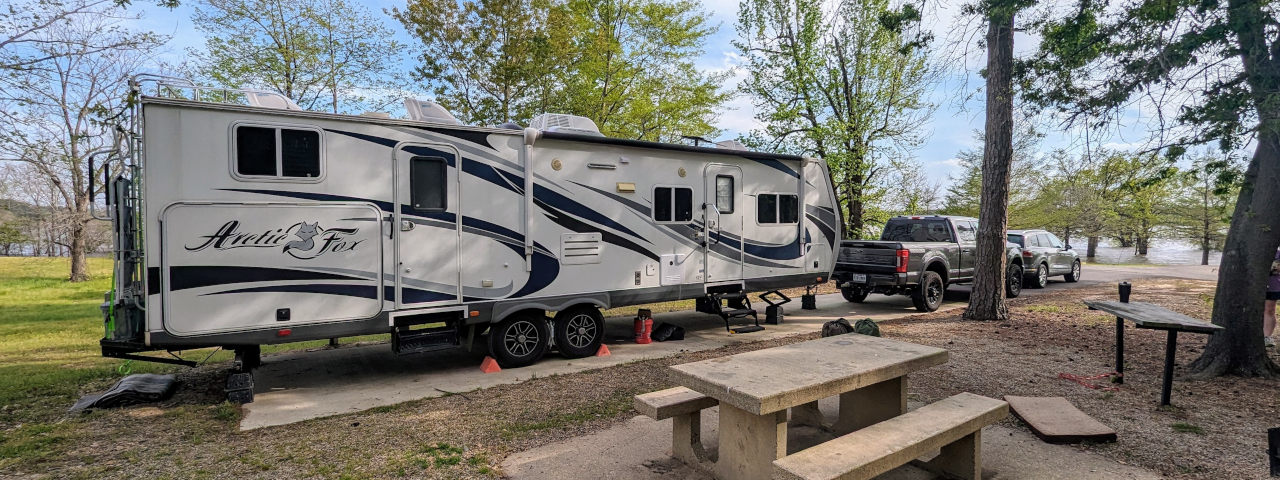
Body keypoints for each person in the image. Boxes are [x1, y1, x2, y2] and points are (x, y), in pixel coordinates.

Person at [1267, 248, 1280, 347]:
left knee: (1269, 310)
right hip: (1253, 285)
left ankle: (1267, 336)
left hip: (1273, 284)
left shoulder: (1278, 253)